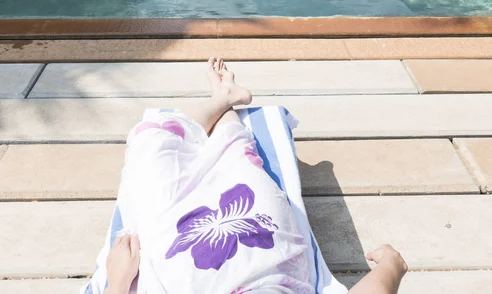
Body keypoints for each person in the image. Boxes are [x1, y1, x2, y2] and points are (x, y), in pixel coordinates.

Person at [102, 58, 408, 294]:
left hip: (178, 263)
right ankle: (224, 102)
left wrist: (117, 283)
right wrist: (392, 264)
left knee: (150, 140)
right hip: (260, 253)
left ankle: (223, 98)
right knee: (234, 162)